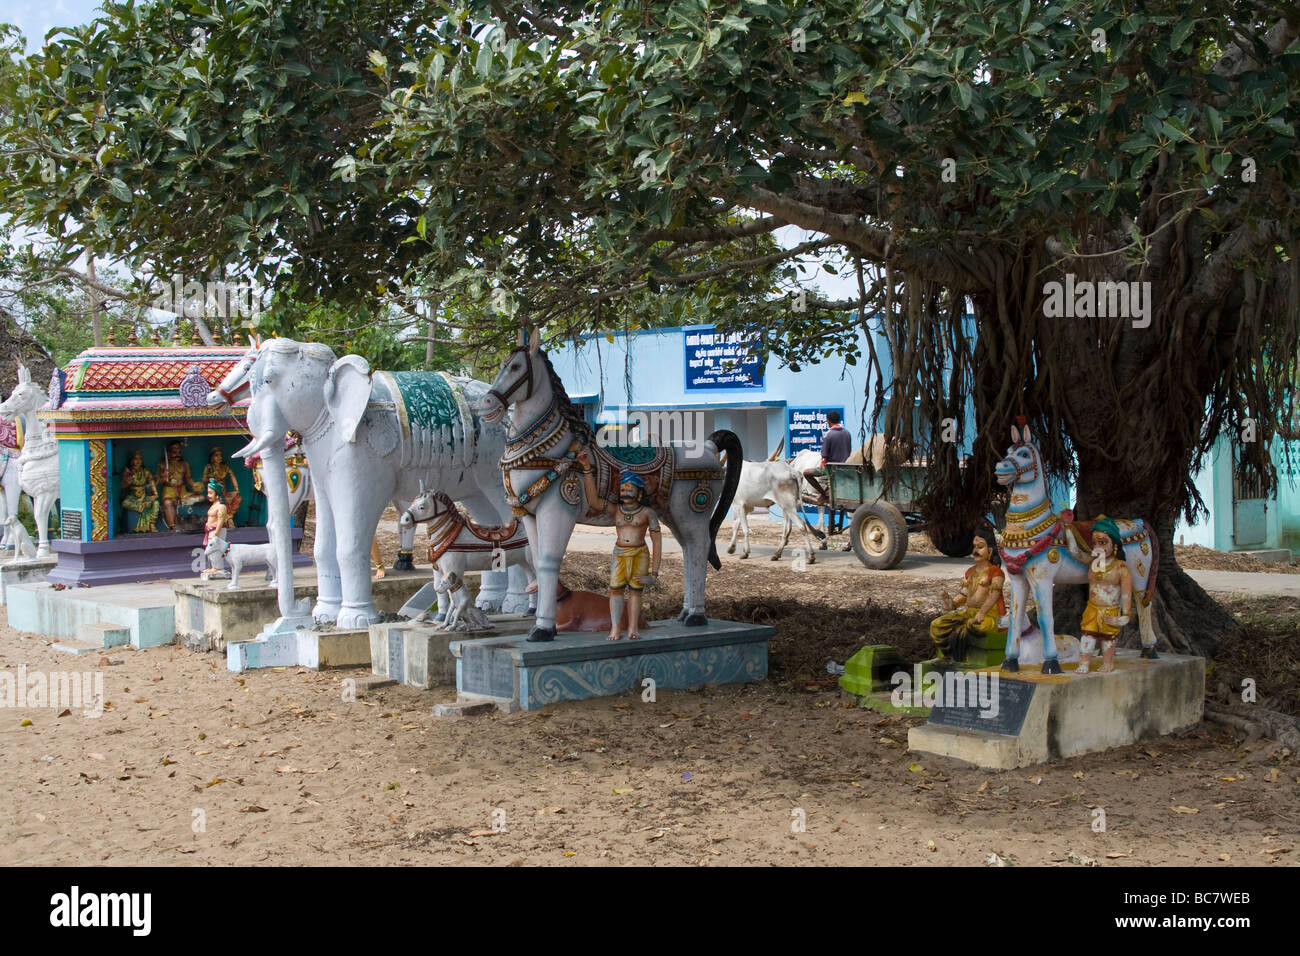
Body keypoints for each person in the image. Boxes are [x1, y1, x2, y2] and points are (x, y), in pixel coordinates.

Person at [575, 452, 661, 641]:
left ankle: (632, 627)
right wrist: (587, 469)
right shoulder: (617, 510)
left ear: (639, 492)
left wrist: (654, 573)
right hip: (620, 553)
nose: (624, 490)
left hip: (640, 553)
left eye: (629, 487)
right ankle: (615, 628)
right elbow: (594, 501)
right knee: (616, 590)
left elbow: (657, 541)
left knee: (636, 591)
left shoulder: (648, 513)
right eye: (622, 487)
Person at [928, 526, 1006, 661]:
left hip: (989, 616)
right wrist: (950, 603)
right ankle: (949, 655)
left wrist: (982, 612)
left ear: (990, 551)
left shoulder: (996, 572)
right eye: (974, 547)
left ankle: (960, 656)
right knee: (936, 625)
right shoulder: (970, 572)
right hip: (968, 613)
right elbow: (964, 596)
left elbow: (994, 596)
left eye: (980, 547)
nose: (975, 551)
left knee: (972, 625)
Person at [1075, 517, 1132, 675]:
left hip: (1110, 610)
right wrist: (1067, 528)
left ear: (1114, 544)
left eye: (1103, 542)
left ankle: (1108, 663)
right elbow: (1076, 554)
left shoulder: (1122, 568)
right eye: (1095, 543)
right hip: (1092, 609)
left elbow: (1127, 594)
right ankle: (1084, 662)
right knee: (1087, 636)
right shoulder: (1094, 561)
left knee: (1108, 639)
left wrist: (1125, 616)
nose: (1098, 547)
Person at [802, 410, 851, 505]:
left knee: (806, 473)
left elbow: (824, 455)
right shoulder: (847, 433)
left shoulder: (829, 435)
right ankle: (825, 491)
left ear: (828, 421)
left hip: (831, 469)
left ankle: (823, 494)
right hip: (845, 467)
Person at [157, 441, 202, 530]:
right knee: (168, 503)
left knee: (200, 498)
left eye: (179, 452)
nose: (177, 454)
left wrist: (195, 486)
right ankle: (172, 527)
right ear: (169, 453)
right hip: (169, 490)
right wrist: (164, 477)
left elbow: (188, 478)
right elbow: (157, 481)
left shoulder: (185, 464)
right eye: (174, 452)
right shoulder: (163, 465)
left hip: (182, 490)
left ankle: (196, 524)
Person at [120, 450, 161, 533]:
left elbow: (152, 483)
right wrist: (127, 483)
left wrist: (155, 494)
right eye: (135, 459)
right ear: (131, 461)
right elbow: (122, 486)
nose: (138, 461)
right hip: (132, 498)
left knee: (156, 503)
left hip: (144, 497)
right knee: (125, 503)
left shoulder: (146, 472)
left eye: (140, 459)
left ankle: (152, 525)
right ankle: (141, 507)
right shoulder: (128, 472)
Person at [202, 447, 242, 524]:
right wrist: (211, 478)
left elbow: (232, 476)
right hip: (214, 493)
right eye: (216, 455)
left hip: (224, 491)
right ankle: (227, 520)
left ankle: (229, 517)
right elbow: (203, 480)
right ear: (212, 457)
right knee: (222, 502)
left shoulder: (225, 467)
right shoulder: (209, 467)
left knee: (237, 498)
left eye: (220, 455)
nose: (219, 457)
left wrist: (237, 489)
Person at [202, 479, 233, 545]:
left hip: (217, 532)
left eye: (211, 493)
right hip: (211, 531)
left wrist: (215, 534)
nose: (208, 495)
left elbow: (220, 522)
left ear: (217, 494)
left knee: (216, 552)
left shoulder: (221, 506)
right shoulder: (214, 505)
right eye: (208, 493)